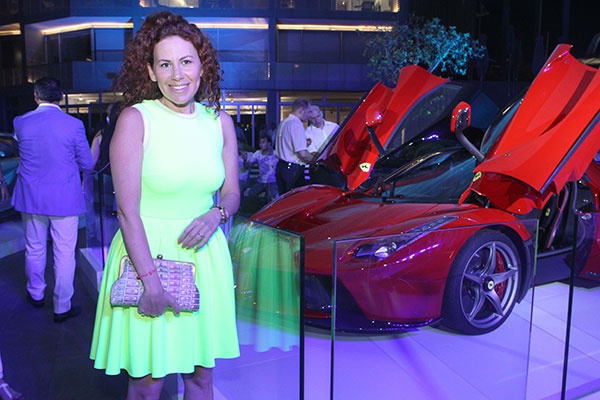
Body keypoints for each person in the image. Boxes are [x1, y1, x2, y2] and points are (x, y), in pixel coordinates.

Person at [89, 11, 240, 399]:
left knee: (201, 378)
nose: (177, 75)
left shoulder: (219, 122)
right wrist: (150, 282)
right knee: (147, 382)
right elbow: (127, 211)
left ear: (202, 66)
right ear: (151, 72)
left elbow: (232, 193)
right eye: (165, 64)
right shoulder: (136, 119)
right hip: (146, 257)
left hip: (205, 261)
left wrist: (217, 214)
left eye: (186, 62)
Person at [12, 77, 94, 323]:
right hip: (64, 197)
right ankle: (61, 306)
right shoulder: (73, 124)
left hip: (31, 196)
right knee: (64, 253)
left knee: (34, 247)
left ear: (36, 96)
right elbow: (87, 162)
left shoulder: (20, 122)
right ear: (61, 97)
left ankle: (36, 294)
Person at [275, 97, 313, 194]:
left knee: (284, 199)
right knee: (295, 199)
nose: (310, 115)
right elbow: (302, 153)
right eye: (309, 112)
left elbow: (287, 144)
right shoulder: (296, 124)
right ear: (301, 110)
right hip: (293, 169)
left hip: (281, 167)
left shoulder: (284, 123)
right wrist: (315, 161)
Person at [243, 135, 278, 205]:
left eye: (263, 142)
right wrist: (245, 160)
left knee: (272, 197)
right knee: (251, 194)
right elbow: (247, 166)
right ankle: (261, 207)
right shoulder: (258, 154)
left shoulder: (276, 153)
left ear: (269, 143)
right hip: (261, 181)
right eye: (260, 143)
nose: (261, 144)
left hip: (273, 181)